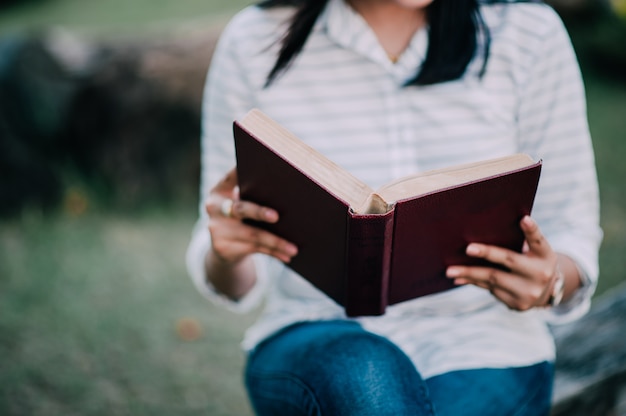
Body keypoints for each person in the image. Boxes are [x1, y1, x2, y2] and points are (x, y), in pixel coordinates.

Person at [186, 0, 602, 414]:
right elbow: (232, 270)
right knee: (367, 374)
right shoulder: (254, 39)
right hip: (314, 335)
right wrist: (226, 251)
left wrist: (550, 282)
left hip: (485, 343)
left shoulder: (528, 32)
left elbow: (572, 230)